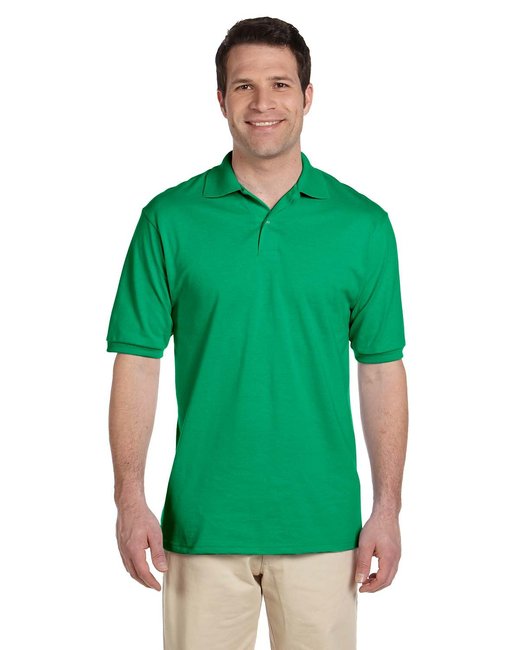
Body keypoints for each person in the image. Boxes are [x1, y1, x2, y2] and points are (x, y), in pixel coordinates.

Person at [106, 15, 408, 650]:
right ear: (221, 99)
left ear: (307, 96)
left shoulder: (363, 225)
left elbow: (381, 370)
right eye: (244, 86)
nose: (262, 102)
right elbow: (137, 363)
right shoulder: (168, 220)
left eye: (280, 84)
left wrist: (388, 509)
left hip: (325, 526)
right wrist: (129, 500)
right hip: (202, 524)